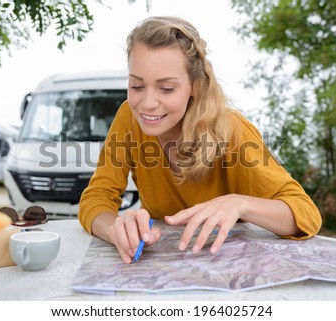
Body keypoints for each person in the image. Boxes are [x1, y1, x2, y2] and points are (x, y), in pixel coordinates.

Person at [78, 16, 322, 264]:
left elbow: (305, 213)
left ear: (194, 86)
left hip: (229, 267)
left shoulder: (232, 130)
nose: (147, 104)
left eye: (167, 88)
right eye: (137, 86)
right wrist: (115, 228)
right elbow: (96, 197)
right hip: (163, 266)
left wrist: (239, 204)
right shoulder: (128, 117)